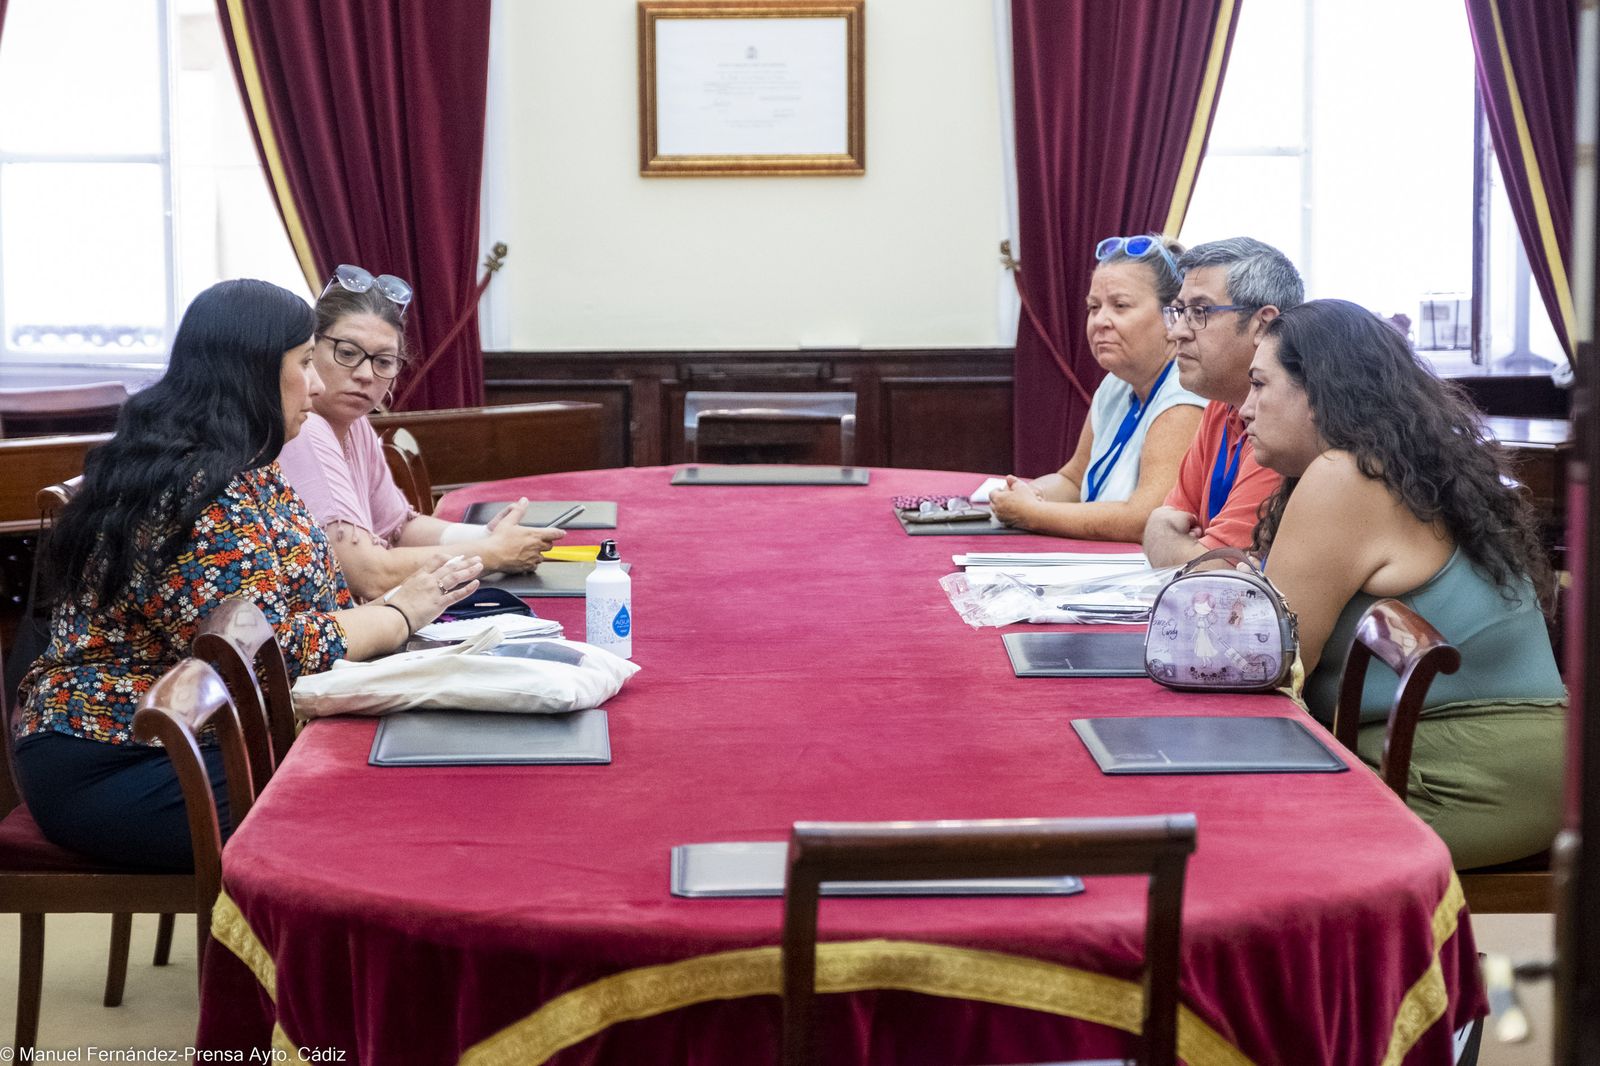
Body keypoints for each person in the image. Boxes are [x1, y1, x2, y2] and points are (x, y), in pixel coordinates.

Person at [12, 279, 482, 871]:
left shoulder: (248, 462)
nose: (317, 383)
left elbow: (305, 604)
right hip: (119, 760)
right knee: (382, 792)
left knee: (418, 750)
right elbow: (266, 655)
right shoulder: (193, 488)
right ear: (252, 371)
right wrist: (397, 616)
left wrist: (406, 618)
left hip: (205, 730)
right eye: (307, 363)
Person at [1240, 298, 1564, 868]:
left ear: (1319, 391)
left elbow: (1259, 662)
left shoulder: (1346, 475)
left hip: (1471, 767)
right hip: (1466, 749)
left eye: (1260, 385)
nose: (1244, 409)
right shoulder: (1397, 465)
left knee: (1244, 842)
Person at [277, 264, 563, 603]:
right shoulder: (306, 430)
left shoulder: (356, 425)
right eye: (348, 353)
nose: (366, 374)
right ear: (311, 352)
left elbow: (399, 530)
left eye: (383, 361)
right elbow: (367, 575)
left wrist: (485, 535)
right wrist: (491, 554)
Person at [988, 235, 1205, 540]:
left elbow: (1145, 518)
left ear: (1173, 317)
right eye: (1093, 307)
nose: (1100, 320)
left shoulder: (1185, 395)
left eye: (1120, 306)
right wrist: (1025, 494)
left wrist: (1033, 513)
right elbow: (1073, 481)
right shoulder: (1116, 383)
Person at [1141, 237, 1303, 567]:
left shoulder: (1290, 419)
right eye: (1180, 312)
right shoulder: (1221, 404)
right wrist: (1173, 540)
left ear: (1265, 323)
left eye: (1200, 311)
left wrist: (1160, 539)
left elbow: (1218, 568)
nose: (1178, 332)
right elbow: (1177, 520)